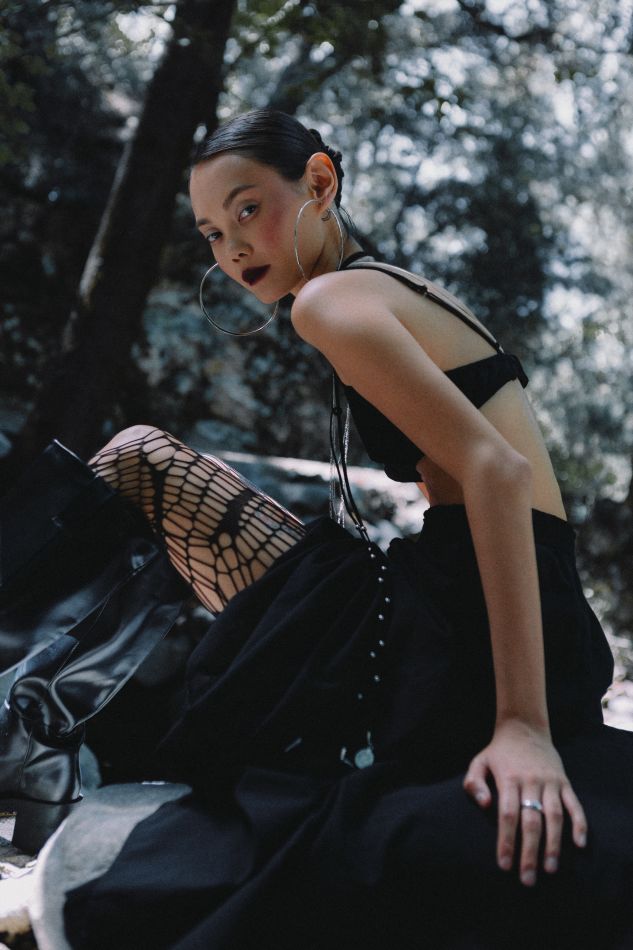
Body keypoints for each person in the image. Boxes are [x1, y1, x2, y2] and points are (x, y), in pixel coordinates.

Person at [2, 109, 632, 947]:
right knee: (154, 470)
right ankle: (31, 740)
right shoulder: (385, 285)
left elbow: (497, 472)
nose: (232, 248)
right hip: (498, 605)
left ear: (319, 184)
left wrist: (522, 725)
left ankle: (28, 743)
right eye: (211, 232)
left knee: (139, 458)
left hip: (466, 626)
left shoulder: (330, 302)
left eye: (248, 209)